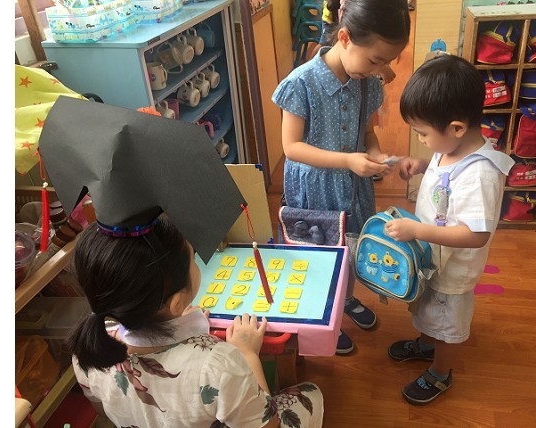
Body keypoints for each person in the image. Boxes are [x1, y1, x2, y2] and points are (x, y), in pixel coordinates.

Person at [38, 97, 324, 427]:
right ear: (176, 302)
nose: (196, 263)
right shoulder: (219, 364)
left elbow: (104, 409)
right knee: (311, 393)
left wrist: (175, 321)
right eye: (193, 259)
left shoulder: (87, 351)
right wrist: (247, 354)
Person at [272, 0, 411, 354]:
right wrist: (348, 160)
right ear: (345, 38)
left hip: (352, 188)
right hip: (314, 190)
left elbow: (368, 135)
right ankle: (322, 314)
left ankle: (344, 299)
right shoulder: (302, 83)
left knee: (350, 249)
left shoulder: (367, 83)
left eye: (386, 62)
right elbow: (291, 148)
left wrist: (376, 155)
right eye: (375, 60)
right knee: (317, 257)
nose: (380, 70)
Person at [384, 54, 514, 405]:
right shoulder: (450, 149)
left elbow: (476, 235)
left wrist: (418, 231)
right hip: (435, 258)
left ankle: (441, 373)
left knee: (447, 322)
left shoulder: (480, 174)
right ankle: (427, 343)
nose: (422, 140)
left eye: (423, 134)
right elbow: (444, 177)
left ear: (456, 128)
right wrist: (422, 164)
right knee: (430, 308)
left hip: (453, 269)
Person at [309, 0, 397, 87]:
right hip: (333, 17)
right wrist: (381, 67)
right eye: (373, 61)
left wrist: (379, 63)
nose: (376, 71)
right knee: (324, 42)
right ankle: (311, 62)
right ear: (345, 38)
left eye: (387, 61)